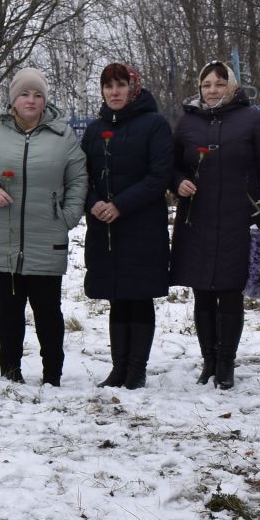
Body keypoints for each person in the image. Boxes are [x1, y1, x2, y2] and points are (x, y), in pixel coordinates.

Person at [0, 67, 87, 385]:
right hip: (2, 240)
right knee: (9, 310)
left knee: (48, 312)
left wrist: (67, 217)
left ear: (45, 101)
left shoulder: (63, 136)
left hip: (46, 239)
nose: (31, 100)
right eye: (24, 94)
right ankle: (10, 372)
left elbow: (78, 180)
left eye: (37, 95)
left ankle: (52, 375)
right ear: (13, 100)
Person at [170, 60, 260, 389]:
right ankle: (209, 361)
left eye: (219, 84)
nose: (213, 90)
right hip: (196, 217)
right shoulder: (187, 123)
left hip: (238, 216)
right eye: (206, 85)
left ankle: (226, 363)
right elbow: (172, 165)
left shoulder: (252, 120)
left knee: (230, 293)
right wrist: (179, 182)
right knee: (202, 292)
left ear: (231, 86)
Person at [81, 62, 174, 388]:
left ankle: (136, 369)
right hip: (104, 228)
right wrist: (93, 203)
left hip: (142, 226)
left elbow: (159, 175)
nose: (114, 92)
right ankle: (118, 367)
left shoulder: (154, 125)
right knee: (117, 297)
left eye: (121, 85)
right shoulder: (94, 130)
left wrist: (120, 204)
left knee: (139, 296)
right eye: (108, 86)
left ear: (133, 88)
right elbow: (83, 176)